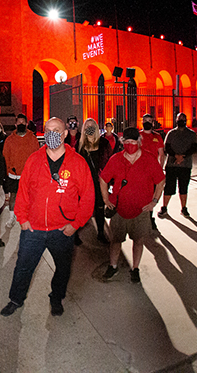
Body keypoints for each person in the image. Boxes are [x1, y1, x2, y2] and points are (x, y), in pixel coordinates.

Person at [0, 117, 94, 317]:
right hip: (33, 229)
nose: (53, 135)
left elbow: (87, 198)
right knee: (23, 268)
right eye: (48, 130)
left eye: (57, 130)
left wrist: (75, 225)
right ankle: (16, 299)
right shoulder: (34, 160)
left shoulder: (77, 163)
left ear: (65, 133)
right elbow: (23, 192)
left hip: (62, 230)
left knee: (62, 269)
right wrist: (22, 219)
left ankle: (56, 298)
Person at [99, 127, 165, 283]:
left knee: (138, 240)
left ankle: (135, 268)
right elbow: (103, 179)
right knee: (115, 241)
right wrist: (106, 199)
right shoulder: (116, 159)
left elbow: (160, 181)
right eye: (127, 141)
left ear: (139, 142)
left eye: (133, 141)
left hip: (141, 211)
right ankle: (113, 266)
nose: (130, 144)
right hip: (119, 210)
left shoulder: (149, 159)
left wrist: (154, 202)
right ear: (123, 142)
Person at [76, 117, 114, 245]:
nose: (89, 128)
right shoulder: (79, 144)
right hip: (84, 183)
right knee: (80, 208)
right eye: (87, 126)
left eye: (92, 126)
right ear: (83, 129)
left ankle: (101, 233)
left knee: (99, 208)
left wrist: (108, 179)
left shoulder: (103, 143)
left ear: (97, 128)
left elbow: (110, 162)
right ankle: (75, 233)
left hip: (99, 182)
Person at [2, 113, 41, 229]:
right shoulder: (9, 140)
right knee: (13, 196)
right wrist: (8, 170)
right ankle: (11, 217)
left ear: (26, 124)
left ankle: (29, 217)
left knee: (29, 197)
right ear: (15, 124)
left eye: (23, 123)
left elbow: (37, 156)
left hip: (29, 175)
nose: (20, 124)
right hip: (14, 174)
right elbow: (6, 156)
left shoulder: (33, 139)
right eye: (18, 122)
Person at [158, 112, 197, 219]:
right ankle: (164, 207)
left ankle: (184, 208)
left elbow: (193, 148)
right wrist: (176, 156)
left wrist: (182, 157)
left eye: (183, 119)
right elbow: (167, 148)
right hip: (172, 165)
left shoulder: (191, 134)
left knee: (183, 187)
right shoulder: (171, 133)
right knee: (169, 187)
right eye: (179, 118)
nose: (181, 120)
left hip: (185, 165)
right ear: (176, 120)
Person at [140, 113, 166, 231]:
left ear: (153, 123)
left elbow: (161, 154)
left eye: (150, 121)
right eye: (145, 120)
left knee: (151, 195)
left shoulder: (157, 136)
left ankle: (150, 218)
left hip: (152, 172)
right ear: (142, 121)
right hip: (139, 171)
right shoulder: (138, 135)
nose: (147, 122)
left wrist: (160, 168)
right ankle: (140, 218)